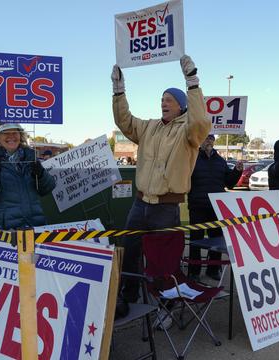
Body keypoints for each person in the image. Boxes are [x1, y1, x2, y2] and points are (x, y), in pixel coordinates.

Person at [111, 55, 211, 310]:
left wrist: (193, 82)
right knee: (130, 252)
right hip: (139, 203)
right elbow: (124, 121)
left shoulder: (189, 132)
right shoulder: (150, 127)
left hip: (166, 209)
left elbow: (200, 121)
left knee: (164, 261)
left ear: (181, 105)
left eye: (169, 100)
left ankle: (167, 304)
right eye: (162, 100)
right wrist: (119, 91)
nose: (163, 103)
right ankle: (128, 296)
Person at [0, 123, 56, 230]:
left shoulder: (31, 159)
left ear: (20, 135)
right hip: (5, 229)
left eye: (15, 132)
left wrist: (41, 175)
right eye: (5, 132)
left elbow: (47, 188)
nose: (11, 136)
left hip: (35, 226)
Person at [187, 134, 243, 281]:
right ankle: (193, 272)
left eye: (211, 138)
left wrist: (237, 171)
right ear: (200, 141)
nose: (209, 141)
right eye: (206, 138)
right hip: (197, 206)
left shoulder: (220, 161)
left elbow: (229, 184)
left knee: (217, 241)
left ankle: (213, 269)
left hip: (217, 208)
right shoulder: (192, 158)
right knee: (195, 240)